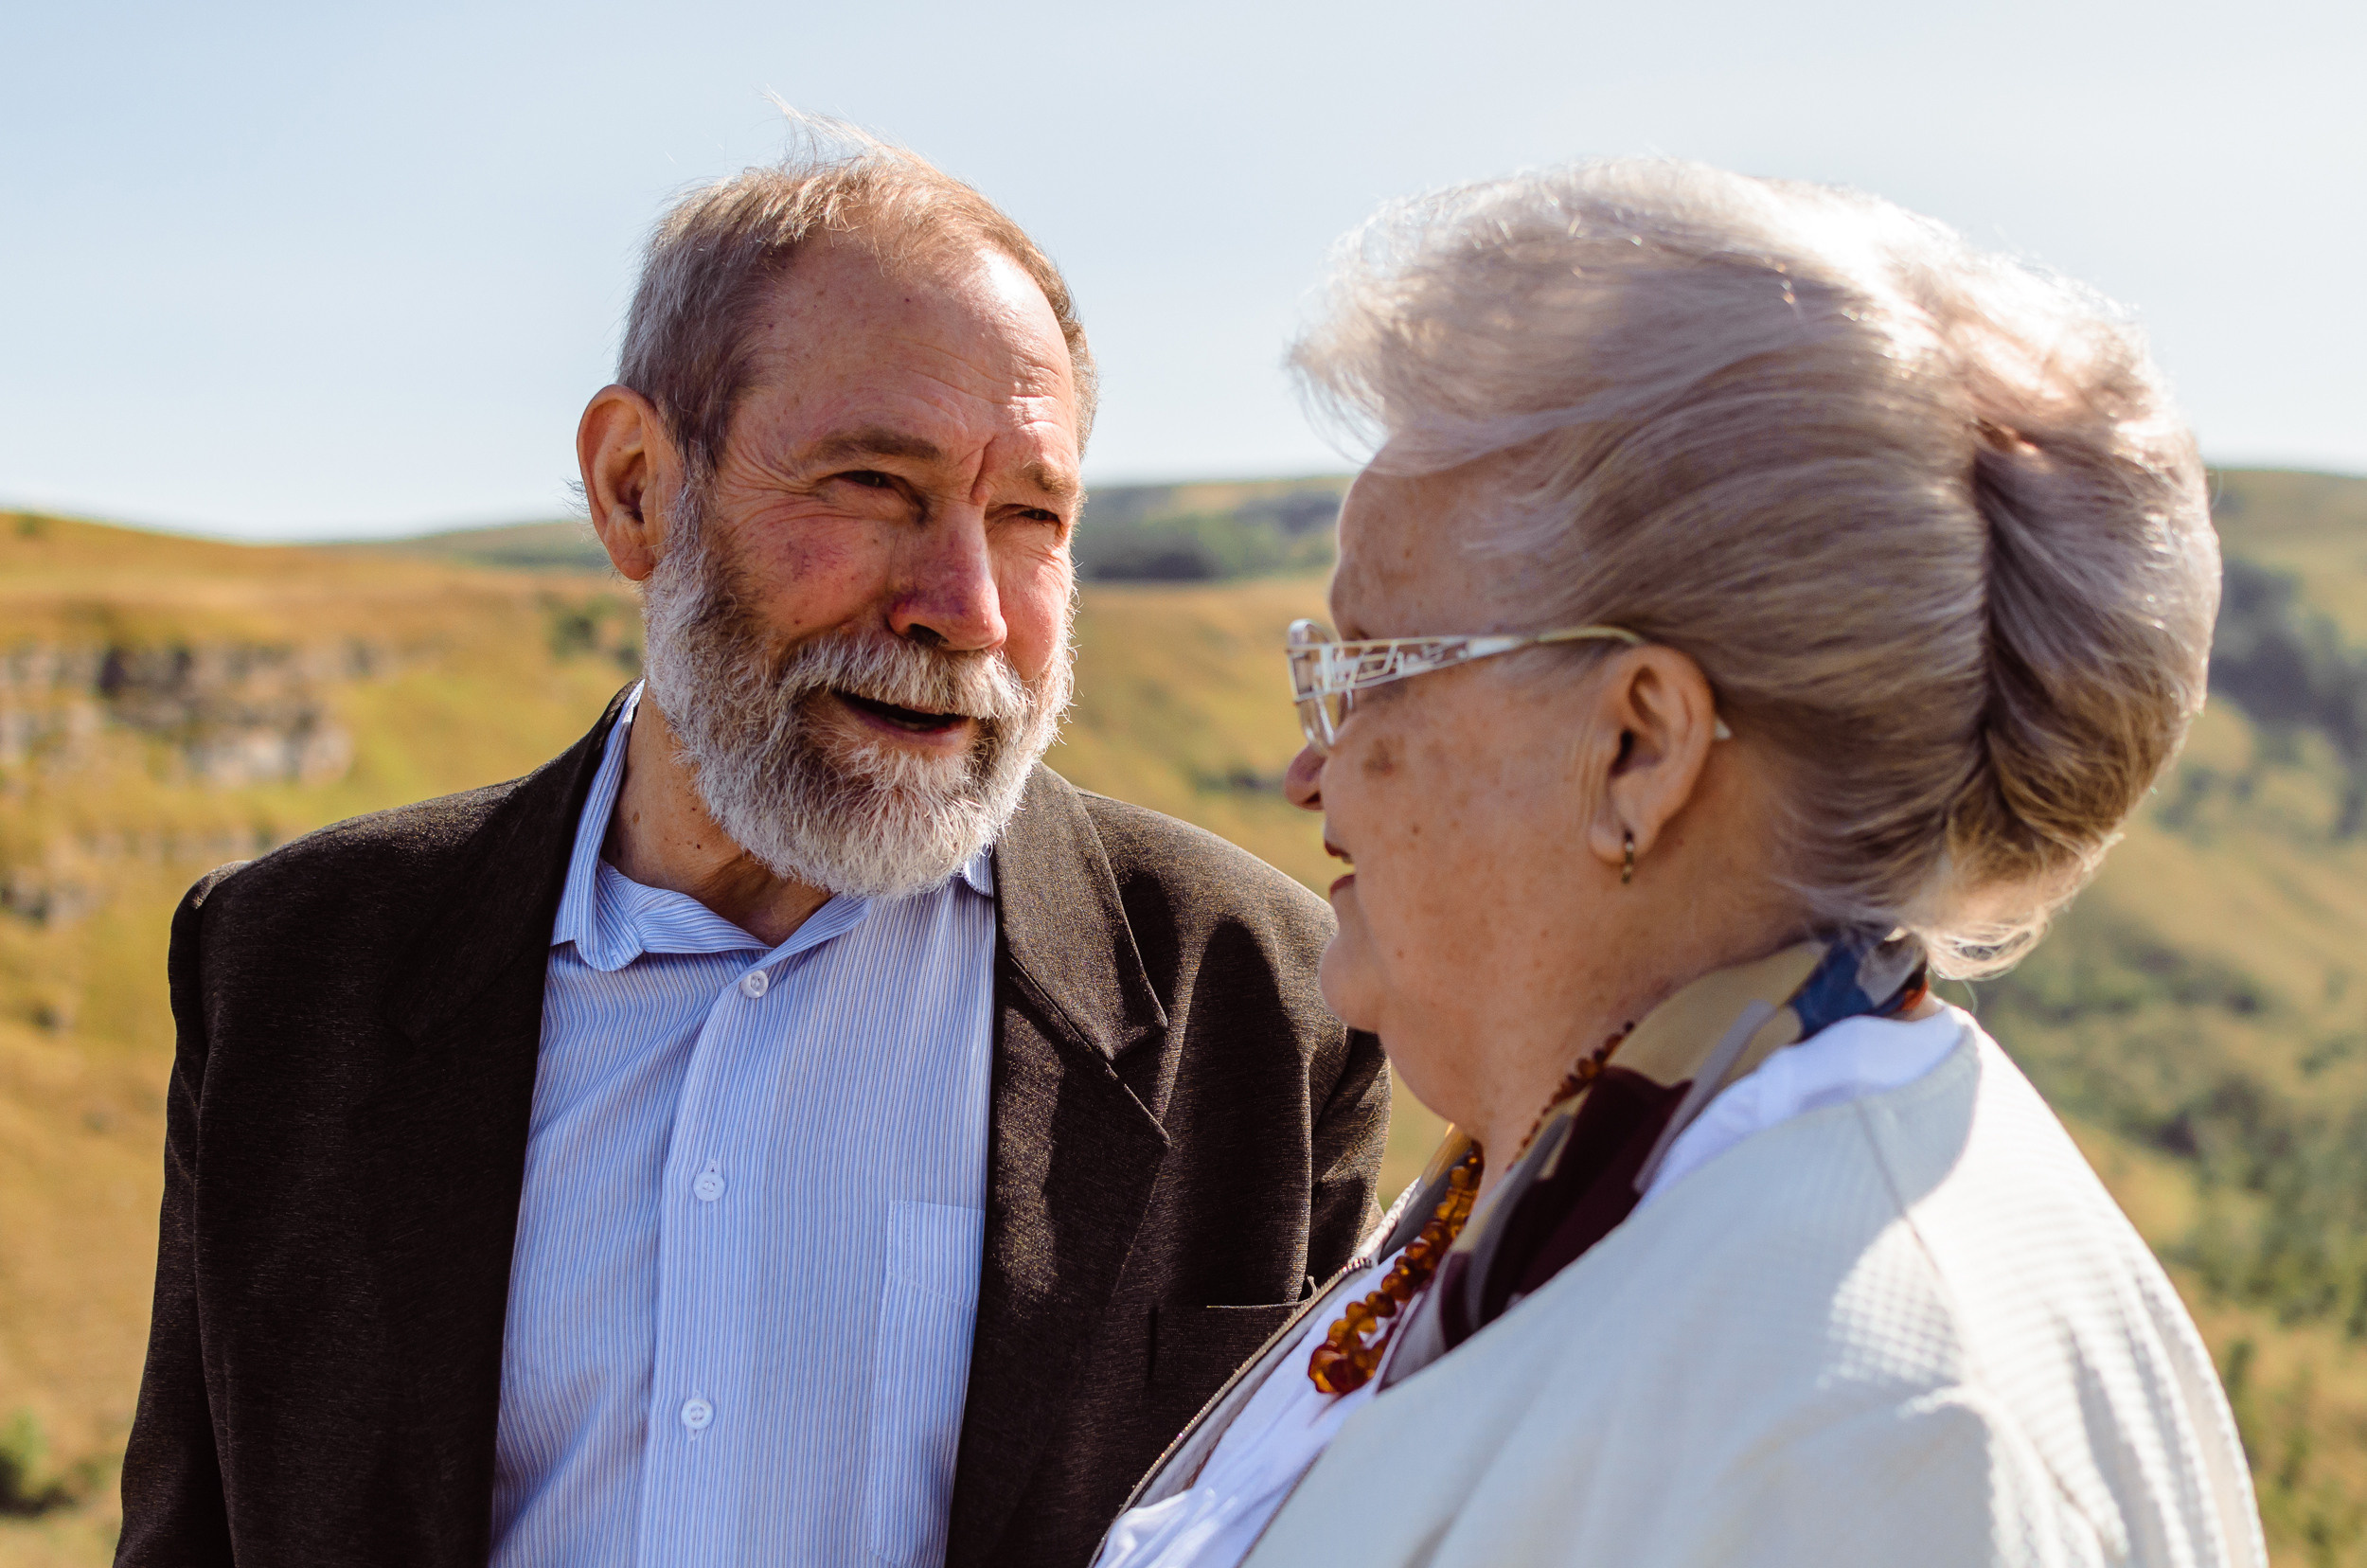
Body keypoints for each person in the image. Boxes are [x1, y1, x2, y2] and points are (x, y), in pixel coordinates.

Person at [115, 125, 1389, 1568]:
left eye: (1029, 515)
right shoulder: (293, 968)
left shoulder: (1265, 1008)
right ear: (637, 486)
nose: (964, 606)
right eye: (871, 486)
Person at [1095, 160, 2266, 1567]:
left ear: (1639, 748)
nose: (1311, 770)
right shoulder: (1617, 1158)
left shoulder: (1873, 1434)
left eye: (1366, 672)